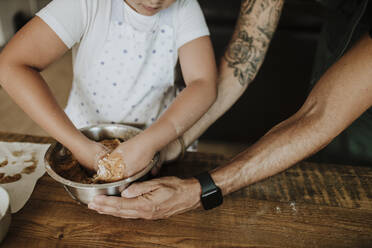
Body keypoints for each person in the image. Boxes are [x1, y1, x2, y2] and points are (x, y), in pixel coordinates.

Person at [86, 0, 372, 220]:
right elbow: (242, 61)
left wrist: (202, 190)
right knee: (320, 166)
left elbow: (319, 114)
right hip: (344, 30)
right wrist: (177, 141)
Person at [0, 0, 217, 179]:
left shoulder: (184, 8)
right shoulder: (85, 4)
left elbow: (203, 83)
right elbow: (10, 66)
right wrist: (80, 146)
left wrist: (151, 142)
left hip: (158, 143)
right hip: (80, 138)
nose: (154, 0)